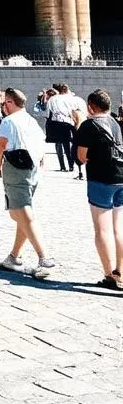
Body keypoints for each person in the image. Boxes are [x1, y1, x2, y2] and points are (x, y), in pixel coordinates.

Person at [0, 87, 57, 279]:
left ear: (11, 103)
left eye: (5, 103)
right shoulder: (31, 120)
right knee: (22, 213)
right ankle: (14, 257)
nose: (3, 106)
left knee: (22, 214)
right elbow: (41, 143)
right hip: (33, 170)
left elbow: (1, 143)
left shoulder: (8, 121)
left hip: (17, 169)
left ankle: (44, 258)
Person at [74, 90, 123, 290]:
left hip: (101, 179)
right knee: (118, 228)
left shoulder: (88, 125)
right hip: (121, 177)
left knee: (102, 229)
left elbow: (81, 156)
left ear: (91, 106)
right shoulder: (115, 124)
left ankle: (109, 273)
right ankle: (120, 270)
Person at [45, 83, 84, 178]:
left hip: (57, 122)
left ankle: (62, 165)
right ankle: (71, 165)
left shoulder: (53, 99)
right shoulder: (74, 99)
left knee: (58, 144)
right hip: (70, 122)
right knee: (68, 144)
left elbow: (47, 113)